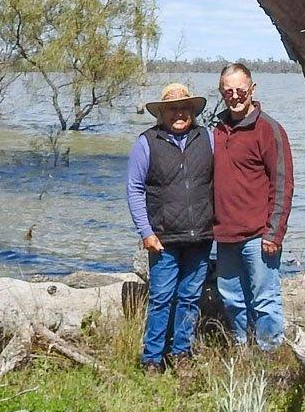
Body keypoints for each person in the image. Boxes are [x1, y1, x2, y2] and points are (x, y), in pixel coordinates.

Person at [125, 82, 214, 371]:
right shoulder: (147, 142)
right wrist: (145, 232)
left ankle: (182, 353)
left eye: (184, 108)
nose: (179, 113)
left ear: (192, 111)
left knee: (190, 297)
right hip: (163, 238)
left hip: (200, 235)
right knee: (161, 298)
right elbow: (134, 189)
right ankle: (152, 358)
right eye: (172, 108)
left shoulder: (207, 138)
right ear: (162, 113)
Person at [210, 62, 293, 350]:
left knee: (265, 298)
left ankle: (270, 353)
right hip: (225, 234)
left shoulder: (269, 130)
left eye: (240, 90)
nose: (234, 96)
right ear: (221, 92)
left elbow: (283, 184)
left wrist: (274, 233)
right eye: (228, 91)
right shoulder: (217, 130)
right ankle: (242, 350)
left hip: (259, 235)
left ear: (252, 89)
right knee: (232, 297)